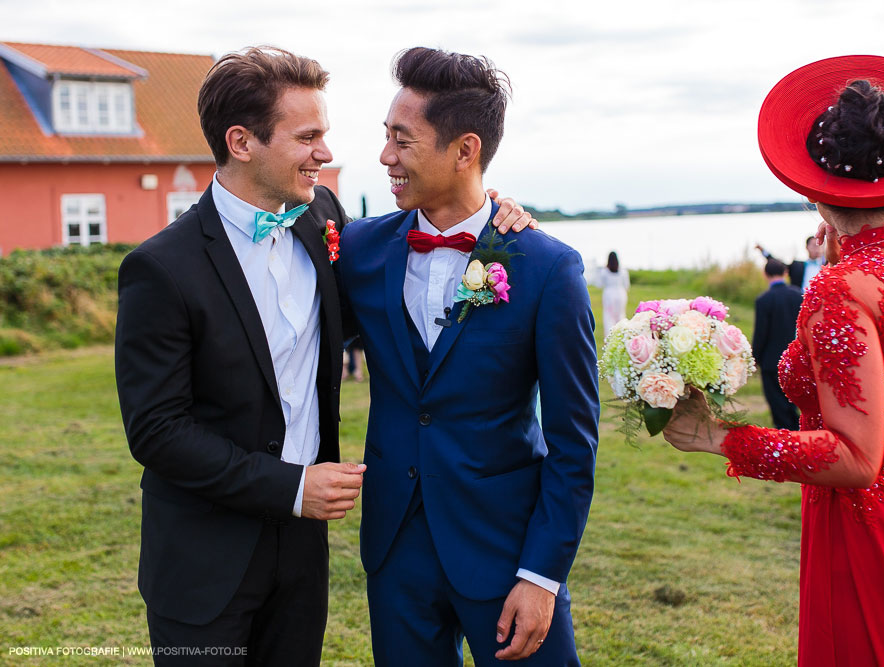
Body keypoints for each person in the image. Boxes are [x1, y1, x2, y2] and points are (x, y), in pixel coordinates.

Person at [114, 46, 533, 665]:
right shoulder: (160, 268)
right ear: (241, 142)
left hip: (303, 557)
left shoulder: (324, 220)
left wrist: (493, 215)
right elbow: (156, 431)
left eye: (325, 135)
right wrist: (291, 486)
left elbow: (433, 236)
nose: (326, 154)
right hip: (204, 558)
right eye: (307, 137)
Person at [662, 56, 884, 665]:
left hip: (863, 539)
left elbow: (857, 457)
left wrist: (720, 437)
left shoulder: (842, 288)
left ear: (814, 185)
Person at [339, 47, 599, 666]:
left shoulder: (547, 267)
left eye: (402, 141)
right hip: (395, 549)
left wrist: (542, 574)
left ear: (465, 150)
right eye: (385, 137)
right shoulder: (358, 248)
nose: (385, 158)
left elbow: (573, 440)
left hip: (507, 550)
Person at [752, 258, 802, 430]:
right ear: (785, 273)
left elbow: (761, 333)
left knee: (777, 404)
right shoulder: (798, 294)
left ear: (765, 274)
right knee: (792, 402)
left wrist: (755, 357)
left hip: (771, 360)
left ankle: (785, 439)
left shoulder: (763, 300)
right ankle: (798, 435)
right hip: (795, 357)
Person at [755, 235, 825, 290]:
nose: (818, 249)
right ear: (807, 247)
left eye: (820, 246)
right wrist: (763, 251)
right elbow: (777, 264)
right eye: (814, 246)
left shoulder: (827, 266)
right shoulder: (796, 266)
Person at [595, 251, 630, 338]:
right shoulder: (623, 271)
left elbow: (599, 285)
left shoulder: (604, 271)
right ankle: (622, 334)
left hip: (609, 294)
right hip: (621, 293)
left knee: (609, 316)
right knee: (621, 314)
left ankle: (609, 336)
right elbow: (627, 285)